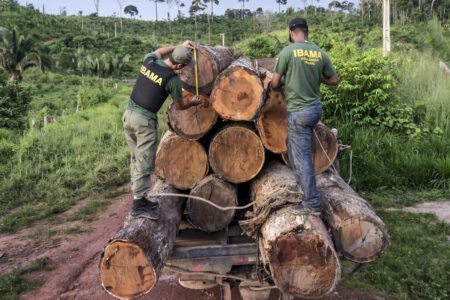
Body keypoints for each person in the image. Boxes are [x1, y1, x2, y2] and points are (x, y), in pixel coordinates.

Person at [123, 40, 201, 220]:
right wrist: (194, 102)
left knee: (136, 157)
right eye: (185, 66)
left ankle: (139, 197)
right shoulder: (171, 79)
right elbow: (180, 106)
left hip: (128, 115)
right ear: (180, 65)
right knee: (144, 161)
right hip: (144, 121)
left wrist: (178, 46)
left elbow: (158, 50)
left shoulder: (149, 62)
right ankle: (138, 205)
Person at [270, 18, 339, 216]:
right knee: (291, 146)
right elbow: (334, 80)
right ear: (306, 32)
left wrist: (283, 79)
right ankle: (303, 189)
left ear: (292, 33)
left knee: (303, 159)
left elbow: (274, 84)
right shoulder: (320, 52)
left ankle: (312, 203)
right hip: (315, 110)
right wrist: (317, 76)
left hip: (299, 112)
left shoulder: (287, 52)